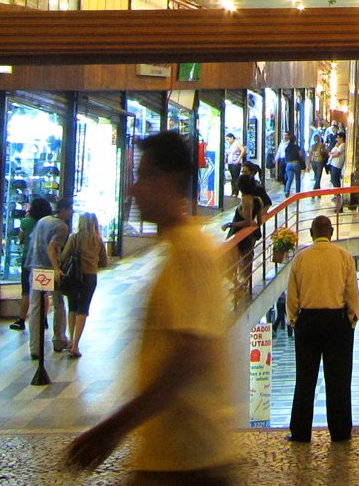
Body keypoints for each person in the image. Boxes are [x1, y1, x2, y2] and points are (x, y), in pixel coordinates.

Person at [67, 132, 236, 482]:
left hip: (189, 464)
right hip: (169, 459)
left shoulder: (191, 253)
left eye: (143, 176)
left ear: (171, 182)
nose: (133, 189)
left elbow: (190, 356)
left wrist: (113, 429)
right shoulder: (175, 250)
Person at [285, 214, 359, 444]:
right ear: (331, 232)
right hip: (336, 321)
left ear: (311, 233)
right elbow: (351, 292)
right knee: (339, 378)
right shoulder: (344, 256)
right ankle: (340, 432)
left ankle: (300, 432)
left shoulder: (300, 258)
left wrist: (295, 319)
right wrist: (351, 318)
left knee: (305, 378)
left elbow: (292, 295)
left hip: (308, 321)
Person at [26, 200, 70, 356]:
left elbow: (31, 242)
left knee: (36, 308)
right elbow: (53, 248)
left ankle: (35, 348)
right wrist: (57, 269)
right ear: (64, 210)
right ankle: (59, 340)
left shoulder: (42, 221)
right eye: (70, 210)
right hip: (50, 268)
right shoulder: (62, 227)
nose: (71, 214)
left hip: (36, 266)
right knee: (58, 304)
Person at [62, 212, 109, 358]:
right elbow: (104, 262)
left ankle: (70, 339)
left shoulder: (74, 238)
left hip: (73, 276)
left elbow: (63, 256)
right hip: (90, 277)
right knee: (84, 309)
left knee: (72, 307)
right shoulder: (98, 240)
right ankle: (76, 344)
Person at [10, 197, 51, 331]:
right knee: (44, 291)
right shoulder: (48, 224)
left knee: (26, 291)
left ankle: (21, 320)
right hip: (44, 260)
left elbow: (21, 238)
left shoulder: (26, 222)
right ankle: (44, 319)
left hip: (28, 258)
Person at [328, 131, 347, 210]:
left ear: (342, 138)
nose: (337, 139)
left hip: (337, 166)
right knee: (334, 182)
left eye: (338, 138)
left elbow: (337, 153)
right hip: (334, 165)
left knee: (336, 184)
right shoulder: (339, 145)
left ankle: (339, 205)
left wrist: (332, 155)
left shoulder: (343, 145)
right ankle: (337, 202)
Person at [225, 133, 243, 199]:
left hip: (236, 163)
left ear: (232, 137)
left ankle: (235, 192)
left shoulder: (236, 143)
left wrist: (239, 159)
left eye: (228, 139)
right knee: (232, 178)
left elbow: (242, 150)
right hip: (230, 163)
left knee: (235, 178)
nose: (228, 141)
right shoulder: (230, 145)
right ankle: (233, 192)